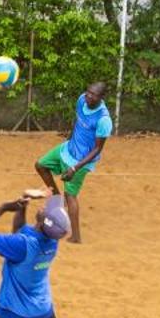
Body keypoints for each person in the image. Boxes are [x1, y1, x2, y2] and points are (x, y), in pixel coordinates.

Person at [34, 81, 112, 243]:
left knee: (71, 195)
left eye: (94, 94)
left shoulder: (104, 120)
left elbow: (97, 149)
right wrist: (69, 139)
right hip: (67, 149)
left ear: (102, 97)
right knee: (40, 165)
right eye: (88, 92)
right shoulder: (81, 100)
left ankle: (76, 237)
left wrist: (75, 168)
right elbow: (77, 122)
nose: (89, 96)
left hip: (81, 161)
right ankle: (56, 198)